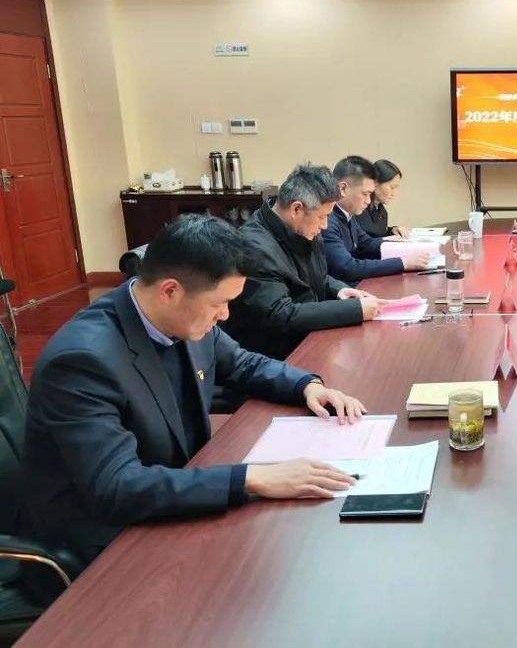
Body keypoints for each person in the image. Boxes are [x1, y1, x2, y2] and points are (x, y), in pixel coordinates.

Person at [21, 215, 367, 565]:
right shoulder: (83, 360)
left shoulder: (181, 317)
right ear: (170, 291)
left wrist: (306, 385)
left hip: (176, 489)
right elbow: (117, 487)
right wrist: (251, 479)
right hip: (108, 539)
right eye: (219, 303)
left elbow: (242, 363)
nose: (225, 315)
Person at [224, 164, 382, 361]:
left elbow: (315, 275)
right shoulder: (254, 247)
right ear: (296, 209)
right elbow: (280, 314)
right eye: (322, 216)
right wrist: (355, 310)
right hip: (275, 356)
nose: (325, 225)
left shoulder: (302, 227)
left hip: (308, 338)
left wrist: (338, 289)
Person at [322, 155, 431, 286]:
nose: (368, 201)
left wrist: (408, 246)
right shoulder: (327, 221)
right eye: (365, 194)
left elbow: (367, 243)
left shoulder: (347, 215)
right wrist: (403, 262)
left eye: (370, 194)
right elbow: (347, 267)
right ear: (343, 189)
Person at [357, 159, 410, 239]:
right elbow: (365, 238)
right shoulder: (358, 209)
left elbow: (379, 233)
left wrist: (392, 230)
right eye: (392, 187)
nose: (393, 193)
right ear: (375, 183)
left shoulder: (381, 211)